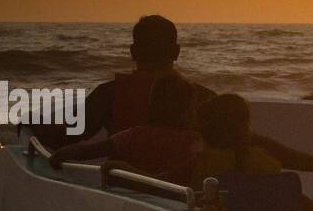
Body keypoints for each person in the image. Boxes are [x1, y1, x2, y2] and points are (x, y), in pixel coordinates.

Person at [42, 15, 214, 147]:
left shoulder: (108, 94)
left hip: (123, 186)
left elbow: (62, 138)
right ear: (176, 52)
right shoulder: (206, 98)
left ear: (132, 52)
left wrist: (33, 122)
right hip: (181, 189)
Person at [49, 73, 200, 186]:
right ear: (187, 111)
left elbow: (87, 151)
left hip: (136, 198)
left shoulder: (134, 136)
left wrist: (61, 154)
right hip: (176, 199)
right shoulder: (196, 141)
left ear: (151, 106)